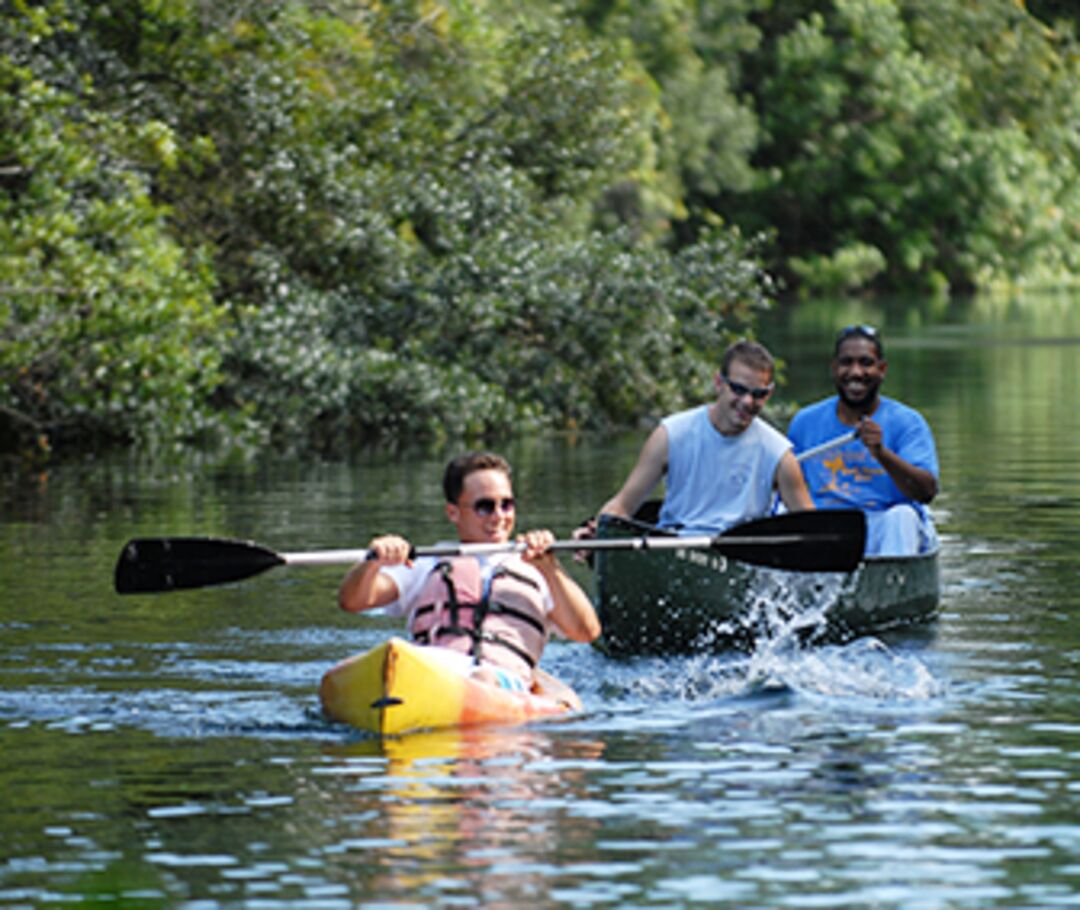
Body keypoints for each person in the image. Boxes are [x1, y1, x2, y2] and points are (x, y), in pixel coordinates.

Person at [338, 451, 600, 691]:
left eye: (506, 504)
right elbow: (353, 601)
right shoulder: (428, 562)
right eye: (484, 506)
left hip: (502, 681)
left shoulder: (538, 568)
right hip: (433, 671)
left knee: (483, 679)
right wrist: (372, 563)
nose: (498, 516)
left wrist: (550, 568)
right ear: (453, 513)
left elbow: (586, 632)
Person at [582, 339, 814, 536]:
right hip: (677, 544)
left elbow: (812, 531)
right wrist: (598, 530)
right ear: (718, 383)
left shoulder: (779, 455)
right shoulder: (670, 435)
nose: (747, 402)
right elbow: (623, 505)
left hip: (741, 554)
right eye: (738, 389)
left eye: (758, 395)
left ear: (769, 394)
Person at [787, 325, 939, 556]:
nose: (856, 372)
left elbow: (926, 492)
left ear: (882, 369)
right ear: (834, 368)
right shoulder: (804, 422)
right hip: (827, 531)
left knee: (903, 517)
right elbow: (783, 487)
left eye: (866, 363)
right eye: (846, 363)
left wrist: (880, 452)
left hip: (884, 530)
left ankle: (889, 586)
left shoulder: (908, 422)